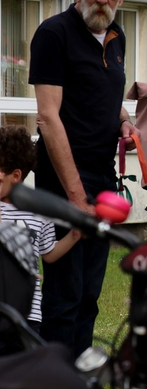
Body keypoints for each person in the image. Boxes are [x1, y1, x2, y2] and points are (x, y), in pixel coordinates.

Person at [29, 0, 138, 356]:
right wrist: (76, 198)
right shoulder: (53, 34)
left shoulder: (117, 37)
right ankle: (52, 376)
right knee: (65, 294)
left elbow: (102, 95)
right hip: (63, 181)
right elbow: (48, 116)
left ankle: (77, 375)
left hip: (103, 177)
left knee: (90, 293)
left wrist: (123, 121)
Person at [0, 126, 81, 334]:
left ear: (15, 175)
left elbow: (49, 253)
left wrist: (75, 234)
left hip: (29, 312)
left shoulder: (38, 212)